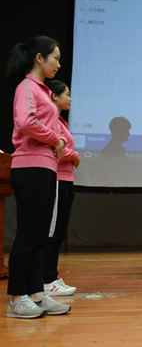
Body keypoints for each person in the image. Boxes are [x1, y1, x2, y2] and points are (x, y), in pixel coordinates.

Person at [5, 36, 71, 318]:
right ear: (39, 58)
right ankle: (16, 298)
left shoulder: (42, 90)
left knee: (40, 234)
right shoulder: (28, 86)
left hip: (46, 167)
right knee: (28, 234)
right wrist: (56, 139)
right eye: (55, 58)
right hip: (29, 166)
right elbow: (25, 121)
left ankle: (36, 294)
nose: (58, 64)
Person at [44, 80, 80, 296]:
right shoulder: (51, 120)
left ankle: (52, 276)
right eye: (66, 94)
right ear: (54, 96)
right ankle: (47, 281)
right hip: (57, 178)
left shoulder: (60, 121)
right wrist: (74, 155)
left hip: (66, 179)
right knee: (52, 230)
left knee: (59, 232)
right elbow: (55, 148)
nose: (70, 98)